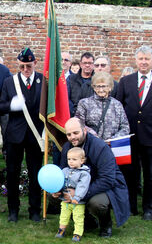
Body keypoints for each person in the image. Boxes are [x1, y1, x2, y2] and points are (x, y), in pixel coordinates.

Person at [117, 45, 152, 220]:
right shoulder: (126, 81)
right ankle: (131, 206)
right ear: (136, 60)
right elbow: (118, 108)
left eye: (147, 59)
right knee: (130, 173)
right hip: (130, 136)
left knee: (150, 174)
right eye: (141, 58)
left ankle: (149, 207)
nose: (143, 62)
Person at [60, 117, 130, 238]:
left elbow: (107, 179)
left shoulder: (100, 147)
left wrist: (79, 194)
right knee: (54, 196)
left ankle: (105, 224)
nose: (72, 137)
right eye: (69, 134)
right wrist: (59, 189)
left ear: (84, 130)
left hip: (105, 187)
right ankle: (88, 221)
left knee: (97, 203)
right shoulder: (67, 147)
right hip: (78, 185)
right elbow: (63, 172)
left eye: (76, 133)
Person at [0, 48, 44, 222]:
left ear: (35, 63)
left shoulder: (43, 81)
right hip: (14, 135)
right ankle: (13, 210)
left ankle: (35, 210)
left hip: (35, 133)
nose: (26, 70)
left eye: (29, 66)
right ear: (18, 65)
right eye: (22, 66)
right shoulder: (10, 82)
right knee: (12, 173)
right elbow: (1, 105)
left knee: (35, 173)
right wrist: (11, 105)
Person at [75, 72, 129, 140]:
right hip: (92, 144)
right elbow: (79, 124)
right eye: (98, 86)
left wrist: (113, 139)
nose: (101, 90)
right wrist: (93, 136)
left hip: (111, 146)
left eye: (104, 86)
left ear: (110, 87)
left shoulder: (117, 105)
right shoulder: (84, 103)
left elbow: (125, 127)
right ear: (94, 87)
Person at [53, 147, 91, 242]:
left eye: (74, 159)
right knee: (63, 216)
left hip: (77, 202)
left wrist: (77, 198)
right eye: (69, 159)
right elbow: (59, 181)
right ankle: (61, 230)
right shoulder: (65, 171)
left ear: (82, 160)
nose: (71, 161)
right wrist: (56, 191)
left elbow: (82, 187)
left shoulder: (84, 174)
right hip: (65, 200)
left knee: (78, 217)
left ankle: (77, 233)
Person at [67, 52, 94, 116]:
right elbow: (66, 98)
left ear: (93, 65)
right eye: (85, 63)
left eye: (90, 63)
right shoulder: (71, 79)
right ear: (81, 64)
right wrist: (74, 111)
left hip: (92, 116)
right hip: (74, 115)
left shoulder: (96, 81)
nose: (87, 65)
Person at [0, 58, 12, 158]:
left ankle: (7, 153)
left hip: (3, 106)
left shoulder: (4, 70)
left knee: (6, 132)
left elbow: (10, 86)